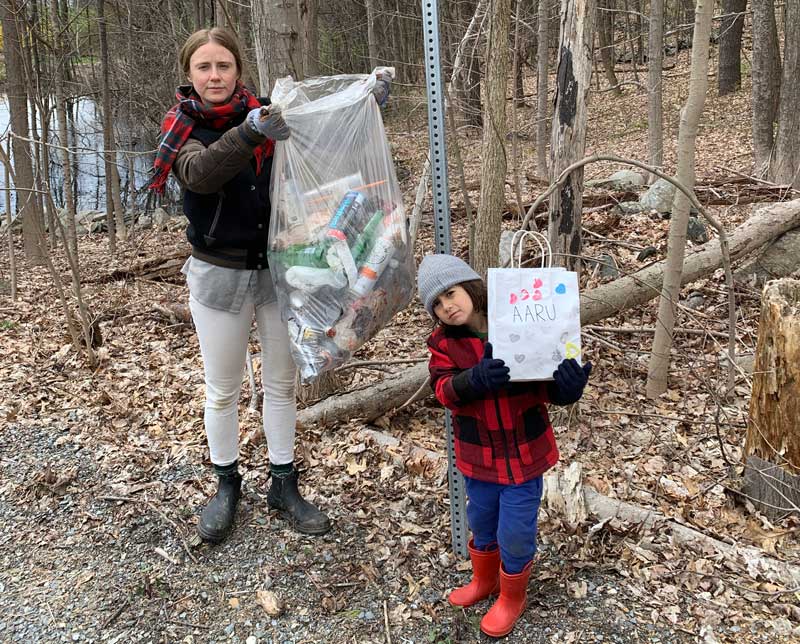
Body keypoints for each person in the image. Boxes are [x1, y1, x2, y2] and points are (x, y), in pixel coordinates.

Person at [149, 27, 391, 542]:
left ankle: (284, 484)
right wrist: (250, 132)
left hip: (283, 272)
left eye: (224, 65)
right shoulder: (184, 127)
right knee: (223, 390)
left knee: (281, 386)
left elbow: (322, 140)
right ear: (189, 74)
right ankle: (226, 485)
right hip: (218, 275)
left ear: (238, 69)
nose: (215, 76)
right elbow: (201, 174)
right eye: (204, 67)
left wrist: (364, 106)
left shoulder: (271, 113)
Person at [417, 253, 592, 638]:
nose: (447, 306)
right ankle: (484, 580)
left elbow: (546, 381)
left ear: (470, 287)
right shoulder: (443, 343)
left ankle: (512, 595)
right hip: (479, 456)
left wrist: (566, 388)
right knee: (481, 521)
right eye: (438, 304)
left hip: (525, 454)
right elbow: (442, 390)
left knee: (515, 531)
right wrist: (472, 380)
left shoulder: (516, 318)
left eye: (451, 293)